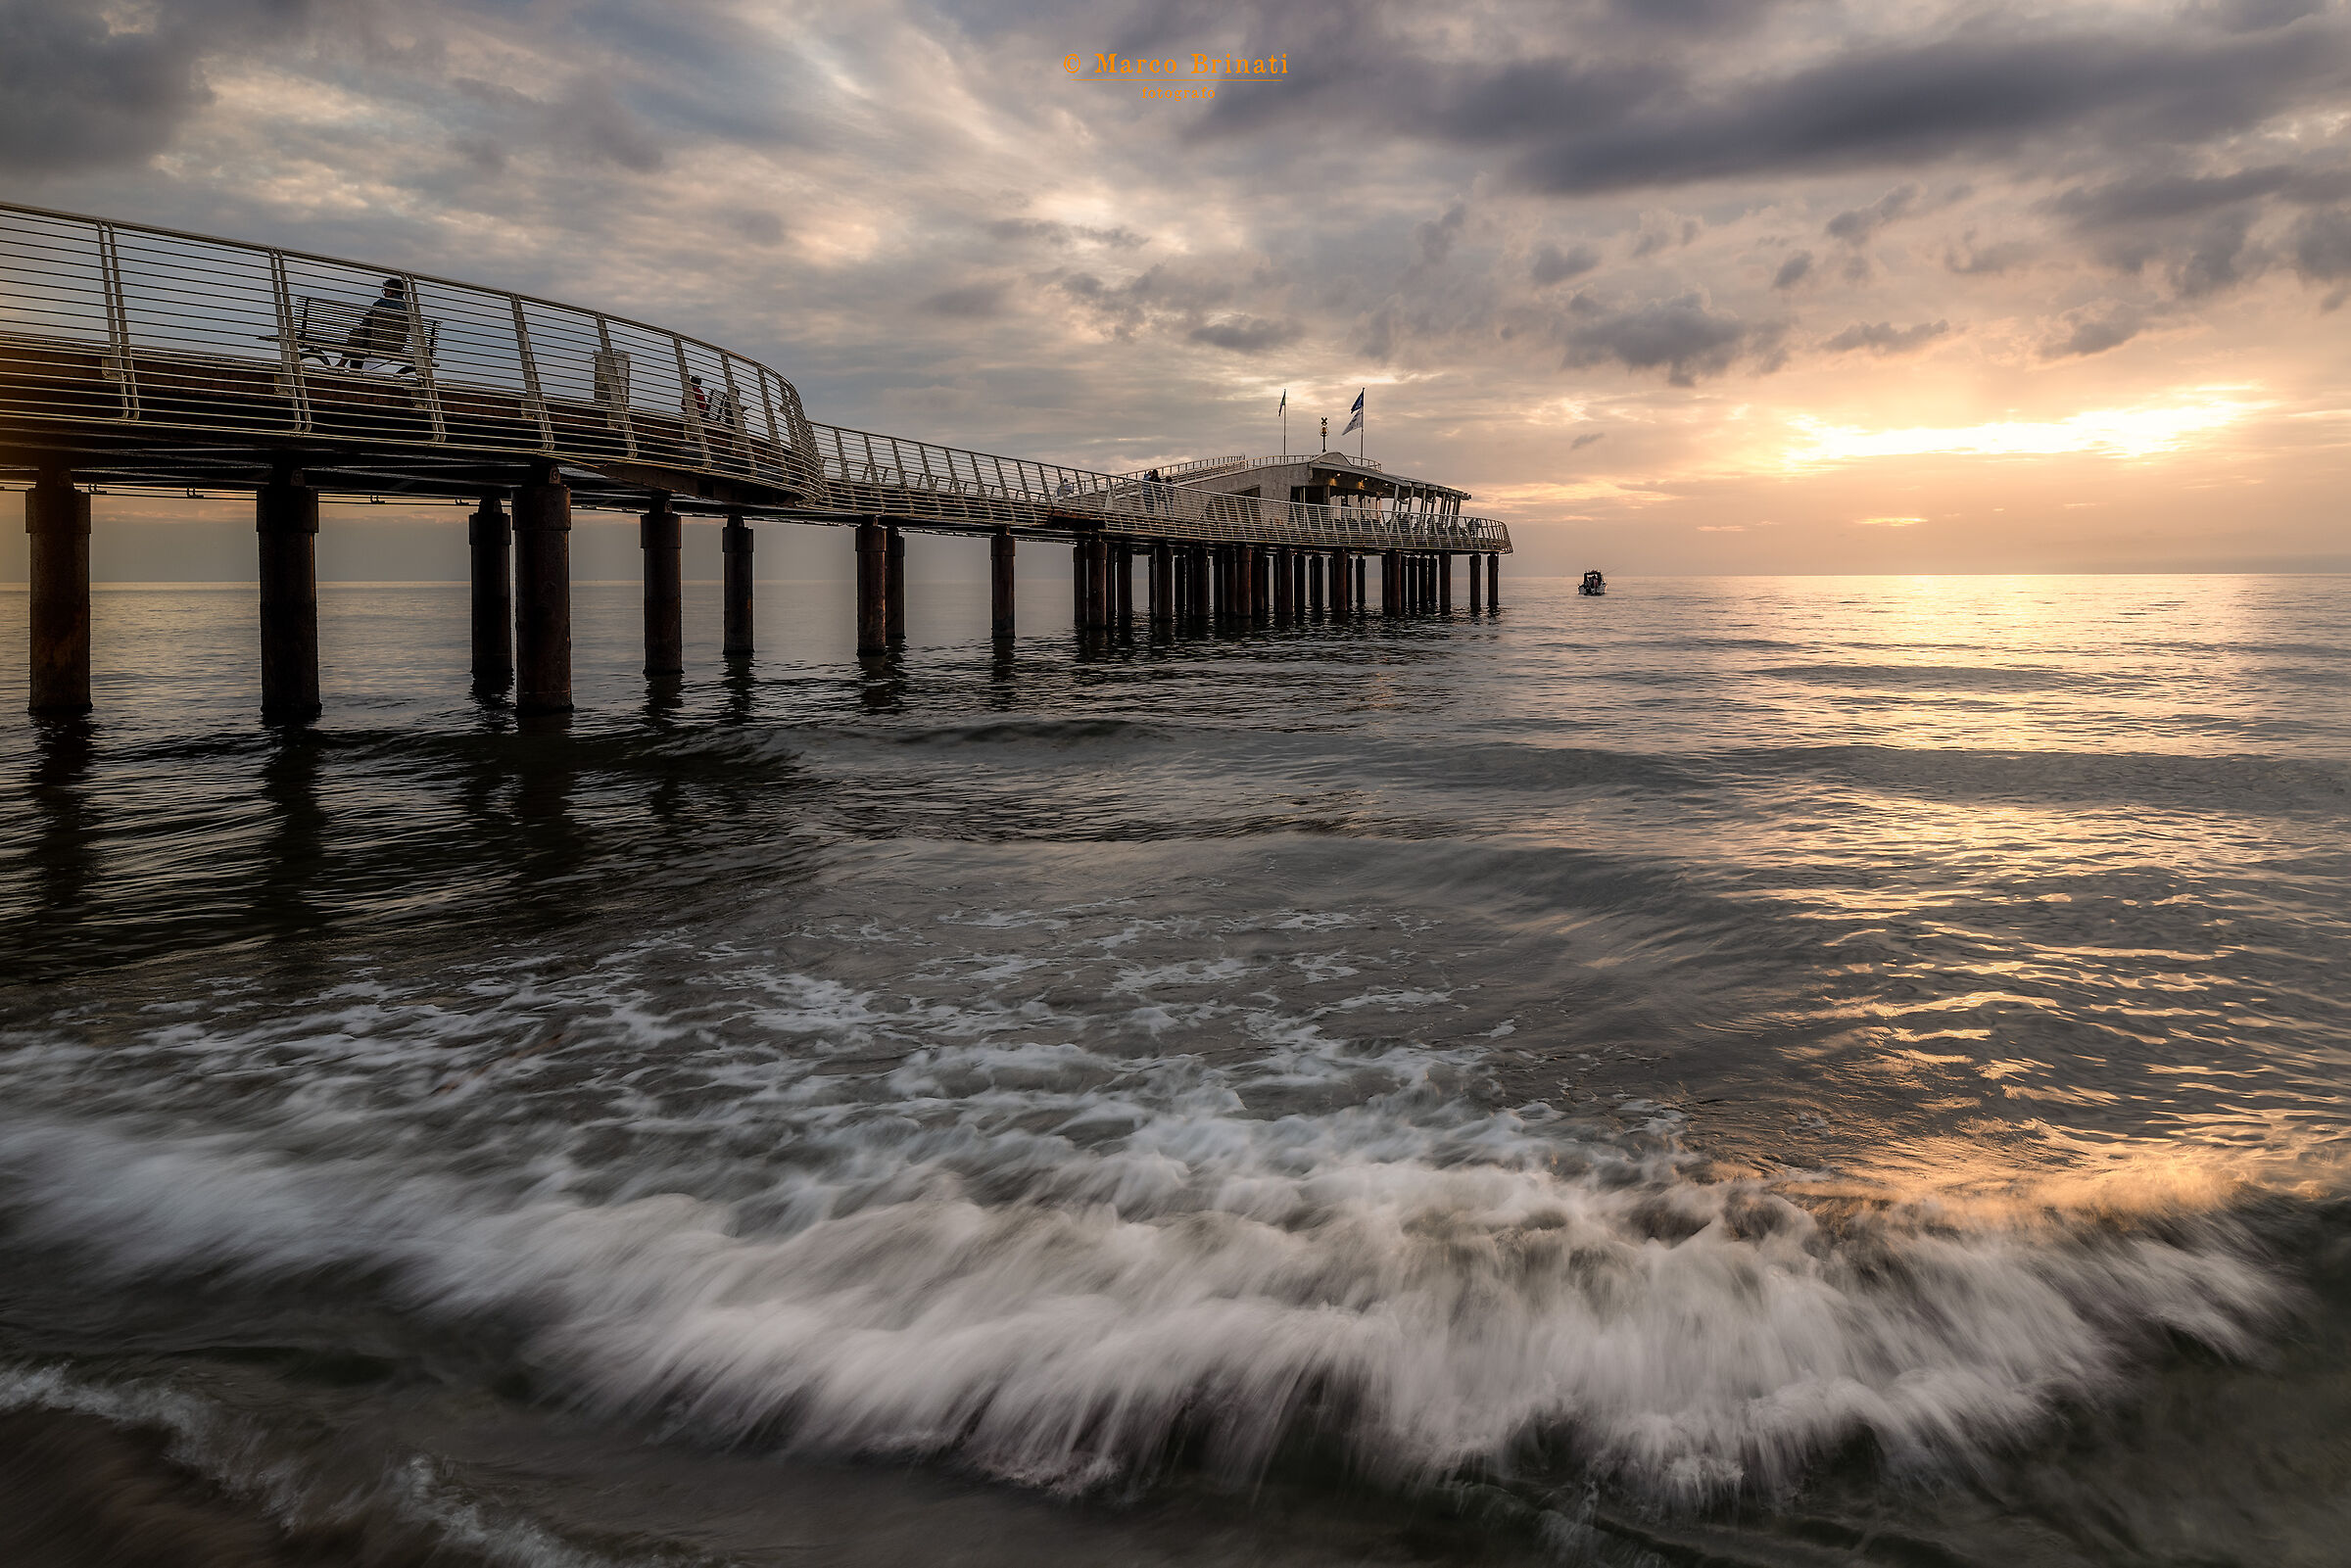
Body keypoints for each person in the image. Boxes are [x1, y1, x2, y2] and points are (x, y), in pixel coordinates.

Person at [341, 277, 409, 369]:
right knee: (359, 339)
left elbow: (366, 322)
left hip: (375, 343)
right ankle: (346, 366)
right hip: (396, 346)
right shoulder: (408, 309)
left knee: (357, 336)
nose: (384, 293)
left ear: (390, 291)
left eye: (385, 290)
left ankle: (345, 365)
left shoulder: (381, 303)